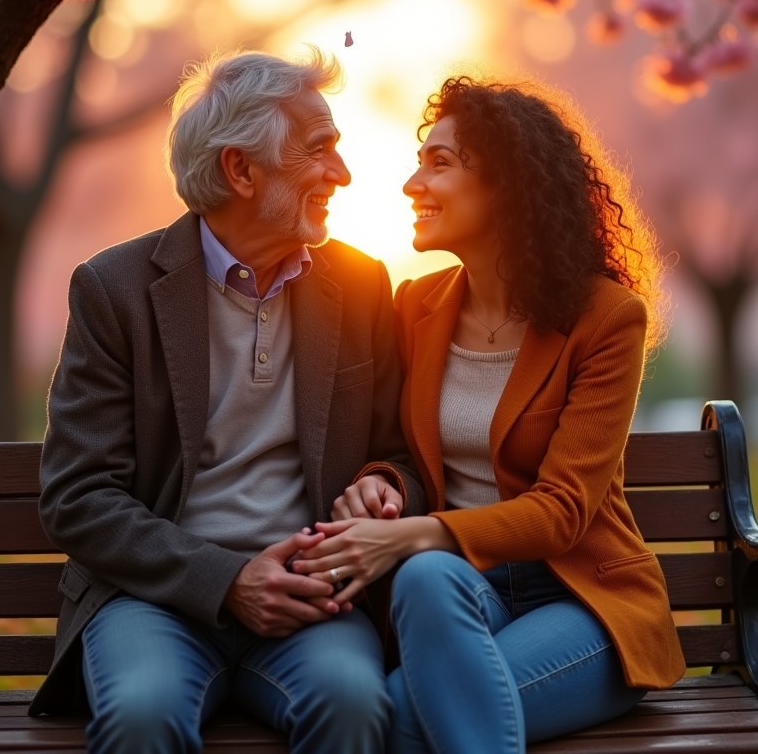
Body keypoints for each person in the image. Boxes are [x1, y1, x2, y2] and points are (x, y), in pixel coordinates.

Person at [29, 49, 426, 754]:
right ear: (241, 170)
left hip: (313, 597)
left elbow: (399, 452)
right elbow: (78, 495)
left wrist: (381, 486)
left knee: (356, 705)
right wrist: (228, 579)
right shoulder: (114, 290)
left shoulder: (362, 283)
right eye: (319, 151)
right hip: (153, 599)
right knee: (142, 715)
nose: (343, 174)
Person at [290, 76, 686, 754]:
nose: (413, 183)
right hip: (453, 598)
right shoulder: (415, 307)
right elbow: (405, 452)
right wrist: (383, 482)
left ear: (507, 185)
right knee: (422, 574)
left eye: (439, 163)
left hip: (582, 599)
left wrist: (413, 534)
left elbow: (563, 510)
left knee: (402, 722)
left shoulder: (605, 319)